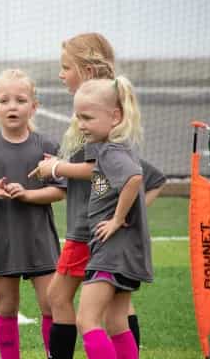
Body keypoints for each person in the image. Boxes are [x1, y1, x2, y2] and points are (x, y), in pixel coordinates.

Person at [42, 33, 165, 359]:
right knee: (115, 314)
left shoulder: (106, 135)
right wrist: (126, 216)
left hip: (90, 232)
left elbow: (120, 174)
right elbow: (136, 178)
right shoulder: (104, 124)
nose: (61, 74)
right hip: (103, 234)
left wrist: (57, 169)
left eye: (66, 67)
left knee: (65, 303)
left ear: (88, 71)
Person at [0, 69, 66, 359]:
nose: (13, 106)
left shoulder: (46, 146)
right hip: (2, 239)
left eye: (21, 100)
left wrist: (28, 194)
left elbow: (60, 190)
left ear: (33, 106)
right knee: (6, 305)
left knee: (51, 305)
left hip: (38, 238)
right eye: (5, 100)